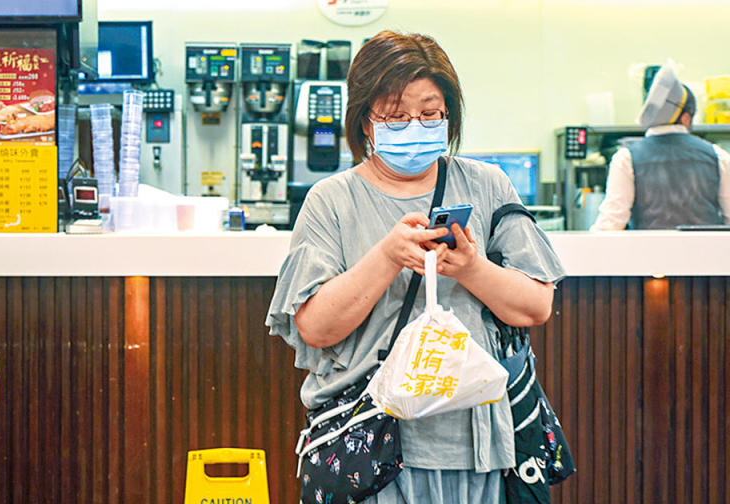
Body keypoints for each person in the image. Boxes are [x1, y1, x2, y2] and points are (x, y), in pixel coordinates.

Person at [265, 31, 566, 503]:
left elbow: (535, 306)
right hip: (371, 445)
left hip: (477, 442)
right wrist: (386, 257)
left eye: (429, 114)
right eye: (396, 116)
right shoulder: (331, 200)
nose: (415, 125)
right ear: (366, 120)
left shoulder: (486, 184)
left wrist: (470, 268)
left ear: (449, 114)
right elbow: (315, 328)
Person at [590, 63, 730, 230]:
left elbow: (610, 224)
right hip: (707, 255)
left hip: (646, 255)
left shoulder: (627, 158)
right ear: (685, 118)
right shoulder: (717, 155)